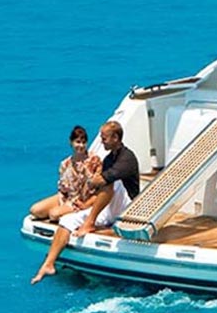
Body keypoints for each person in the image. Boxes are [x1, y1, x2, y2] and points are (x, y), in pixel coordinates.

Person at [31, 120, 140, 285]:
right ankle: (49, 263)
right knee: (66, 220)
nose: (101, 141)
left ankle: (90, 223)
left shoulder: (127, 158)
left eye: (104, 138)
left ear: (116, 138)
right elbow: (96, 187)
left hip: (127, 206)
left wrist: (96, 182)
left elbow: (102, 181)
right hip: (109, 206)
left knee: (110, 181)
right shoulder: (109, 159)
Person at [29, 125, 102, 222]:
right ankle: (63, 210)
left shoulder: (94, 161)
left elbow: (98, 187)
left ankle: (68, 212)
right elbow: (62, 189)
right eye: (78, 142)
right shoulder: (65, 163)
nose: (81, 145)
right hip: (68, 197)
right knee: (35, 210)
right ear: (71, 142)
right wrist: (63, 201)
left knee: (53, 214)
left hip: (82, 201)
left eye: (84, 142)